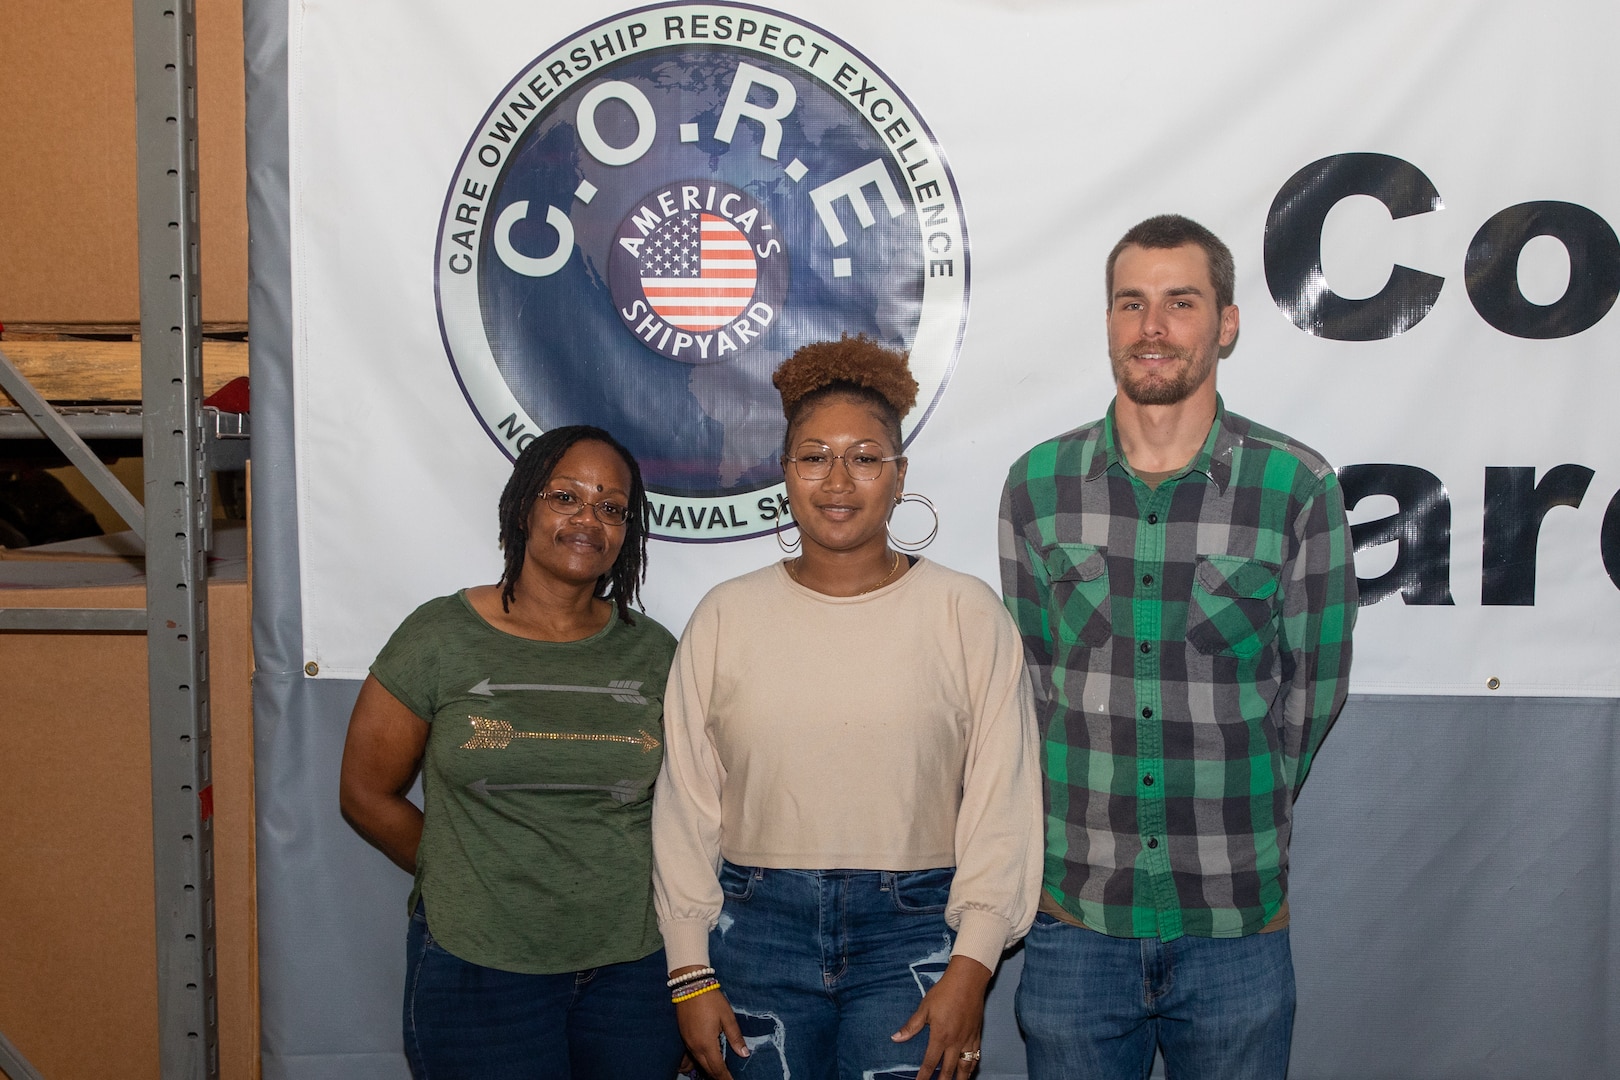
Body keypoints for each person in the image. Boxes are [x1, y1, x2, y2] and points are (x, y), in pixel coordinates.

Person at [999, 215, 1357, 1079]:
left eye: (1179, 302)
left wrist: (1245, 807)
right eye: (1131, 304)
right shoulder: (1038, 485)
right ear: (1111, 322)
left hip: (1234, 921)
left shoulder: (1295, 486)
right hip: (1076, 919)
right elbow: (1036, 681)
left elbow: (1312, 694)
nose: (1152, 327)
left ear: (1225, 323)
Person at [652, 335, 1043, 1080]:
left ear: (899, 477)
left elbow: (1005, 802)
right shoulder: (725, 617)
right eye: (813, 455)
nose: (838, 480)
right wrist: (689, 971)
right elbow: (685, 809)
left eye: (865, 457)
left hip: (918, 935)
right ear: (785, 473)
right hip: (753, 930)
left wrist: (973, 965)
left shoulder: (966, 613)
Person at [337, 425, 686, 1080]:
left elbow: (691, 803)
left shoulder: (655, 652)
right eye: (566, 497)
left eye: (612, 508)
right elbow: (363, 793)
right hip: (479, 968)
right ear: (523, 505)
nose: (590, 519)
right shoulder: (439, 636)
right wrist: (461, 875)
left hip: (632, 972)